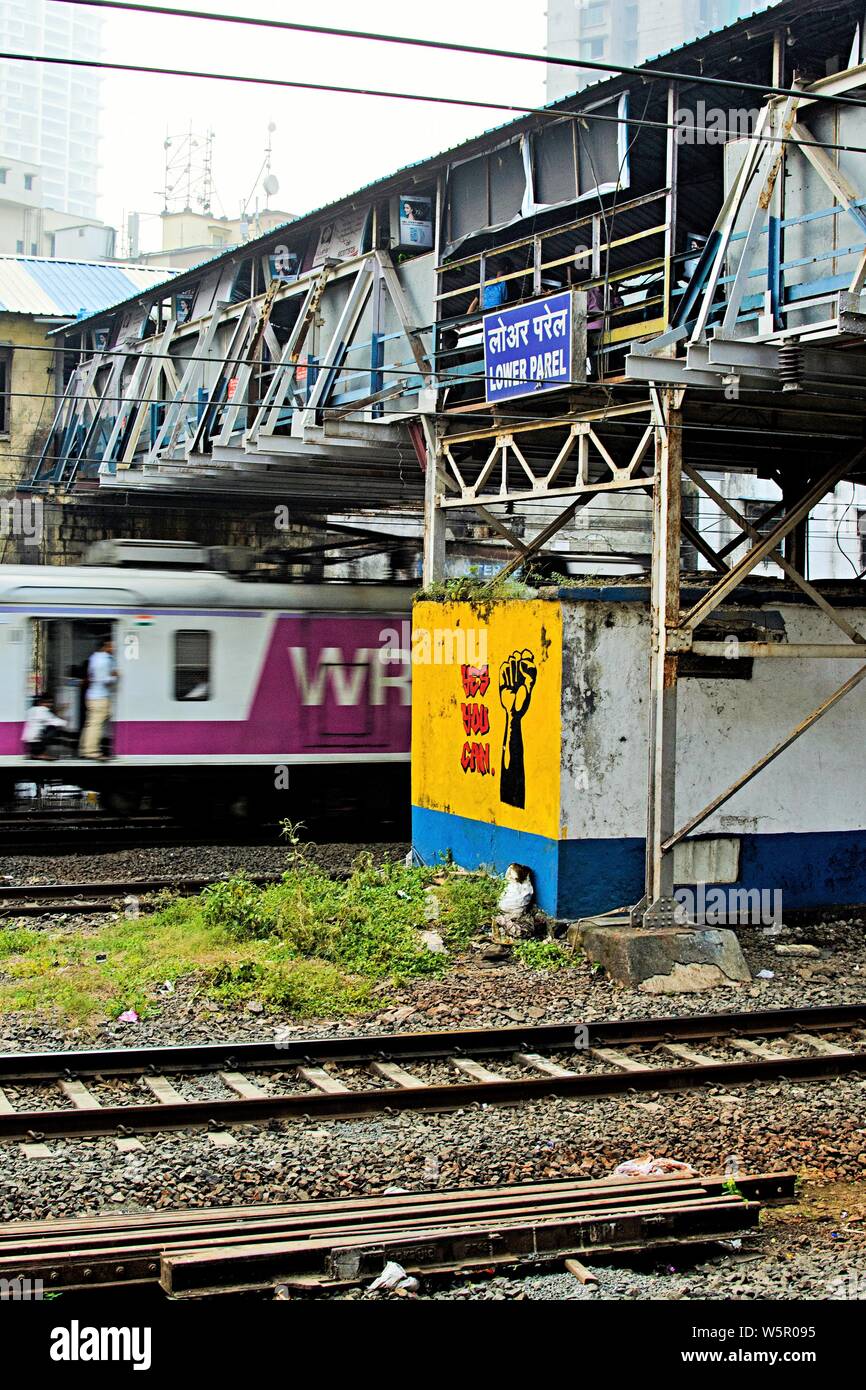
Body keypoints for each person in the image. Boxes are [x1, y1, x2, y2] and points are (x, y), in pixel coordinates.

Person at [80, 638, 117, 760]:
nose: (114, 648)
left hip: (93, 695)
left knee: (91, 723)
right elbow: (103, 680)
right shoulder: (103, 660)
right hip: (99, 696)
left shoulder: (94, 657)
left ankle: (84, 749)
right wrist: (115, 676)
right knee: (96, 724)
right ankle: (91, 751)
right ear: (106, 646)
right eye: (112, 645)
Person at [22, 695, 67, 760]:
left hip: (28, 738)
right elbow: (55, 721)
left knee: (44, 727)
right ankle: (39, 753)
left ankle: (35, 753)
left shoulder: (31, 709)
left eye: (51, 702)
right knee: (52, 728)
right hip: (36, 738)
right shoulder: (42, 710)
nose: (49, 704)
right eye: (47, 702)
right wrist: (65, 721)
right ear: (40, 703)